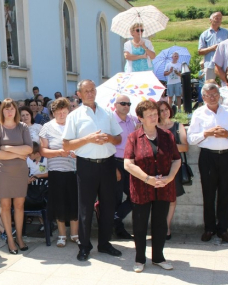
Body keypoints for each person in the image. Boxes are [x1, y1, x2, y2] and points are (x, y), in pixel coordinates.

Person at [63, 80, 122, 261]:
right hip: (86, 164)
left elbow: (119, 139)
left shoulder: (107, 113)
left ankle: (104, 243)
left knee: (108, 206)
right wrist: (88, 139)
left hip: (107, 164)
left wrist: (109, 138)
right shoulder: (74, 116)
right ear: (79, 94)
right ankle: (84, 246)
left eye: (92, 90)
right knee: (85, 208)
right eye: (86, 91)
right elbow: (66, 145)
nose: (90, 93)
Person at [124, 100, 181, 273]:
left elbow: (177, 159)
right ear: (140, 118)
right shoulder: (133, 137)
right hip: (142, 188)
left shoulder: (167, 136)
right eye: (149, 115)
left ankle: (158, 257)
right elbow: (128, 163)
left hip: (164, 186)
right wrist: (147, 178)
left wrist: (170, 177)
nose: (154, 117)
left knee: (160, 224)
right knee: (140, 224)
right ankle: (140, 259)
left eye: (155, 114)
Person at [0, 98, 33, 254]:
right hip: (3, 172)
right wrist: (17, 152)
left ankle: (20, 237)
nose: (9, 111)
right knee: (5, 206)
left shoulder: (22, 127)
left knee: (20, 206)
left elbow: (29, 149)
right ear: (2, 111)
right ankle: (10, 238)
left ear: (16, 110)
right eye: (6, 108)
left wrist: (7, 148)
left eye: (12, 108)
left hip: (20, 171)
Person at [187, 83, 228, 242]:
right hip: (208, 157)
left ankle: (223, 228)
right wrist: (207, 133)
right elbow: (191, 138)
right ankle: (209, 228)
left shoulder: (226, 111)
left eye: (215, 94)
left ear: (219, 95)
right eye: (208, 95)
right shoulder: (198, 113)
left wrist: (226, 134)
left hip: (226, 155)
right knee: (208, 194)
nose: (212, 97)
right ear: (203, 97)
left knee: (225, 194)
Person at [39, 98, 79, 248]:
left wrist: (77, 152)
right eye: (58, 112)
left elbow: (82, 145)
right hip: (56, 171)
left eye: (64, 111)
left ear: (68, 111)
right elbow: (43, 150)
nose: (62, 114)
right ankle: (62, 235)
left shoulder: (74, 125)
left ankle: (75, 234)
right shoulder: (47, 127)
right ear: (53, 113)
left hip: (74, 170)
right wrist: (58, 153)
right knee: (59, 202)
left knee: (74, 202)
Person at [157, 101, 188, 240]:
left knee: (171, 199)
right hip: (156, 168)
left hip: (173, 168)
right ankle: (158, 226)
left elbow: (185, 147)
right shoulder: (153, 127)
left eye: (166, 109)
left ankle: (166, 227)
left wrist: (169, 146)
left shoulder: (177, 126)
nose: (165, 112)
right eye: (161, 110)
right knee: (158, 199)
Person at [113, 95, 138, 240]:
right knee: (115, 198)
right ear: (115, 105)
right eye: (123, 103)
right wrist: (112, 167)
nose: (126, 106)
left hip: (131, 162)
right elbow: (107, 145)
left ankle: (115, 217)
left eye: (128, 103)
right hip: (115, 162)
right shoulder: (110, 122)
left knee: (135, 195)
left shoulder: (134, 121)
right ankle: (119, 230)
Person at [198, 12, 228, 81]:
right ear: (210, 20)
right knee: (209, 85)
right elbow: (200, 51)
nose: (218, 20)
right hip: (210, 64)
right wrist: (212, 48)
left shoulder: (226, 32)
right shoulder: (205, 34)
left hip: (224, 64)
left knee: (226, 84)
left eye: (220, 18)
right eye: (216, 18)